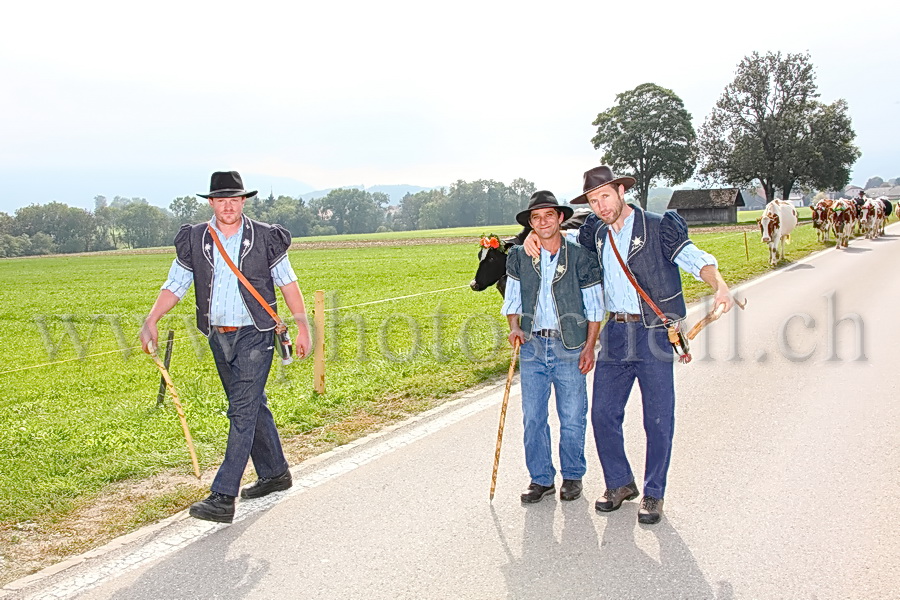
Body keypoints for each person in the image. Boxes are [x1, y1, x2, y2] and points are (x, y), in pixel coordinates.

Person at [524, 166, 734, 524]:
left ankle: (654, 493)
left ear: (621, 191)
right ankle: (620, 483)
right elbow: (564, 247)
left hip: (654, 333)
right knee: (604, 413)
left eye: (605, 196)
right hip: (616, 333)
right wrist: (533, 237)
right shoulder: (596, 232)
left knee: (657, 418)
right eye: (593, 200)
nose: (601, 205)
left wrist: (720, 285)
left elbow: (692, 257)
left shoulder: (658, 226)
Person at [140, 171, 311, 524]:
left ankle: (223, 495)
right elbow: (176, 284)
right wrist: (151, 319)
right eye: (221, 199)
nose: (228, 205)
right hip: (218, 336)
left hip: (256, 334)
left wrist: (303, 325)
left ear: (244, 201)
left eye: (234, 199)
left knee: (242, 410)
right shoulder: (195, 239)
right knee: (251, 405)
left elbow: (288, 283)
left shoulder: (264, 237)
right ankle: (275, 472)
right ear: (211, 203)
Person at [502, 191, 604, 503]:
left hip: (570, 346)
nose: (543, 222)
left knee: (572, 416)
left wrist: (589, 347)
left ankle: (572, 476)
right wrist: (515, 327)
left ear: (560, 218)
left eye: (549, 215)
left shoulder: (581, 256)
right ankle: (541, 478)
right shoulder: (519, 256)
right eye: (536, 217)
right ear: (531, 224)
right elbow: (513, 299)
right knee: (533, 416)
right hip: (533, 346)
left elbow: (595, 307)